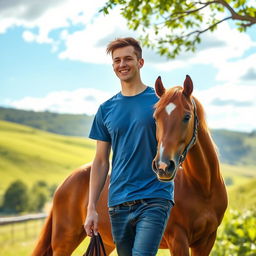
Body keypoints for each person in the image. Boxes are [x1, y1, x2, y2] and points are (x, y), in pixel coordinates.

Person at [84, 37, 174, 256]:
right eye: (117, 61)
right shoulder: (106, 109)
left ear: (140, 62)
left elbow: (176, 138)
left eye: (128, 59)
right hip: (118, 202)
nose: (122, 64)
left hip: (155, 197)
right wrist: (91, 207)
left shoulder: (160, 102)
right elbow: (101, 160)